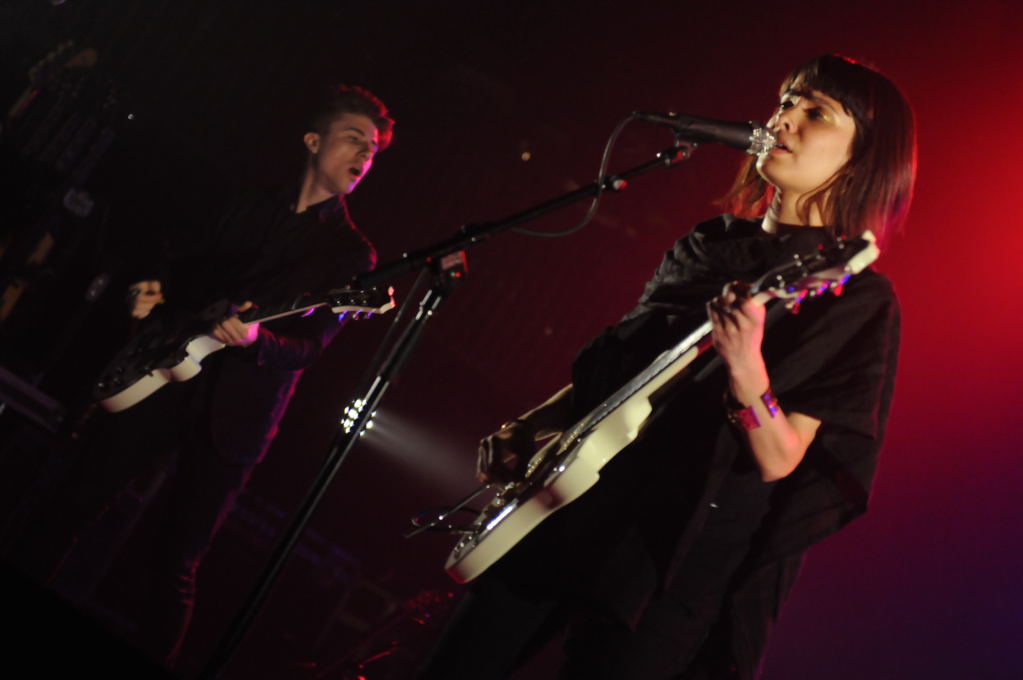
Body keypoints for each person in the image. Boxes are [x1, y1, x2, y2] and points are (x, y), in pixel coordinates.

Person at [417, 54, 915, 679]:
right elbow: (625, 374)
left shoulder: (854, 299)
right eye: (788, 100)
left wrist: (746, 367)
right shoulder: (708, 244)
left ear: (864, 158)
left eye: (817, 112)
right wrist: (529, 424)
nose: (785, 118)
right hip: (567, 510)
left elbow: (779, 458)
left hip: (668, 556)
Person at [19, 84, 394, 665]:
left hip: (235, 418)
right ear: (313, 141)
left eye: (371, 149)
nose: (364, 154)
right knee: (70, 504)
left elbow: (307, 349)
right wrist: (150, 291)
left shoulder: (350, 256)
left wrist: (257, 339)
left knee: (174, 563)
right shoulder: (245, 203)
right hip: (163, 378)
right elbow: (178, 263)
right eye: (353, 138)